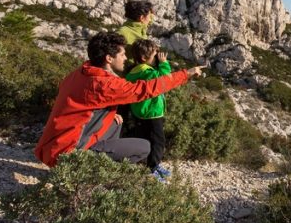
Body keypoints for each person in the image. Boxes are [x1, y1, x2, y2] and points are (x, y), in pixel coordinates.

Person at [34, 32, 204, 168]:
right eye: (122, 54)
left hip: (55, 146)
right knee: (145, 147)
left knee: (115, 121)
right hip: (69, 153)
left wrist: (107, 113)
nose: (125, 58)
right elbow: (147, 89)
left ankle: (96, 158)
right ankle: (90, 174)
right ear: (109, 58)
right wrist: (186, 74)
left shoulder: (81, 72)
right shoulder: (103, 84)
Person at [126, 39, 174, 179]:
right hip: (152, 113)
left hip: (140, 113)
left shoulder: (134, 72)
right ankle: (153, 168)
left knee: (145, 140)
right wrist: (164, 64)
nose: (157, 58)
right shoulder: (148, 73)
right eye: (154, 55)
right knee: (158, 141)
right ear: (144, 58)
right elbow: (165, 80)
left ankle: (146, 164)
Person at [118, 0, 154, 64]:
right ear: (142, 18)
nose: (150, 19)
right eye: (149, 17)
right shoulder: (121, 33)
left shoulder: (141, 29)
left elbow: (150, 21)